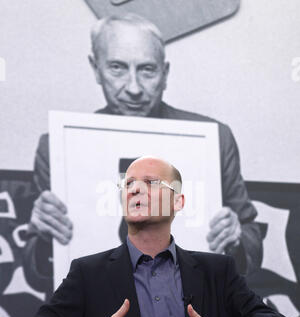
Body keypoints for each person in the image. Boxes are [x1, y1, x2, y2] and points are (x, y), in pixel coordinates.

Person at [5, 156, 292, 317]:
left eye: (151, 183)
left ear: (178, 201)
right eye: (127, 184)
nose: (135, 189)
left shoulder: (217, 269)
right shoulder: (88, 273)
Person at [23, 13, 263, 293]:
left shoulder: (213, 138)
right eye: (117, 68)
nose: (134, 87)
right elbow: (36, 274)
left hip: (190, 313)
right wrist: (41, 236)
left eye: (147, 70)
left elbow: (252, 250)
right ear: (96, 68)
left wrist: (236, 239)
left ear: (165, 73)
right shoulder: (58, 146)